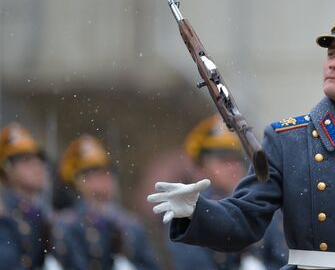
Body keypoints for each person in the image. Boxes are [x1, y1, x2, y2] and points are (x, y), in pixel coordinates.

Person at [148, 0, 335, 269]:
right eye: (331, 54)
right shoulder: (287, 141)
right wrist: (197, 211)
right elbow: (245, 219)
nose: (334, 64)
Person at [167, 115, 288, 269]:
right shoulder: (190, 210)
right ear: (201, 168)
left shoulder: (261, 205)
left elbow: (281, 258)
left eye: (237, 160)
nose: (233, 167)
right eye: (224, 161)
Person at [54, 134, 160, 270]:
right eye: (94, 173)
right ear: (79, 181)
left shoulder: (131, 224)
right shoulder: (67, 224)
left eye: (108, 171)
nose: (105, 177)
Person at [0, 123, 57, 269]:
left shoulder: (44, 214)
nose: (37, 167)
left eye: (39, 161)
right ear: (8, 169)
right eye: (26, 161)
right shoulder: (5, 216)